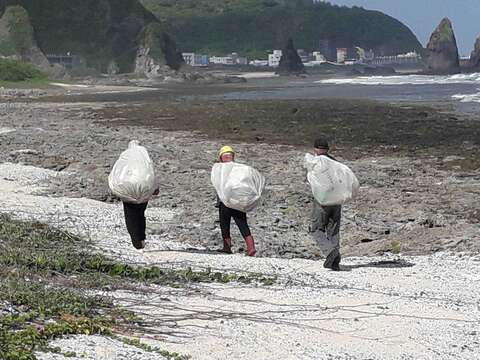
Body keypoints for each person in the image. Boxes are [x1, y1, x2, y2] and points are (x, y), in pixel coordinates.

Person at [215, 146, 256, 256]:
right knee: (242, 224)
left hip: (225, 202)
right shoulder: (240, 169)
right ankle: (251, 247)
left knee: (224, 224)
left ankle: (227, 247)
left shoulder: (220, 169)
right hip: (238, 202)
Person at [309, 137, 342, 270]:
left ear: (315, 149)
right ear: (327, 149)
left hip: (322, 200)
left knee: (316, 229)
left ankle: (330, 252)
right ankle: (335, 260)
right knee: (333, 229)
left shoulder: (315, 161)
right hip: (337, 199)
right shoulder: (334, 161)